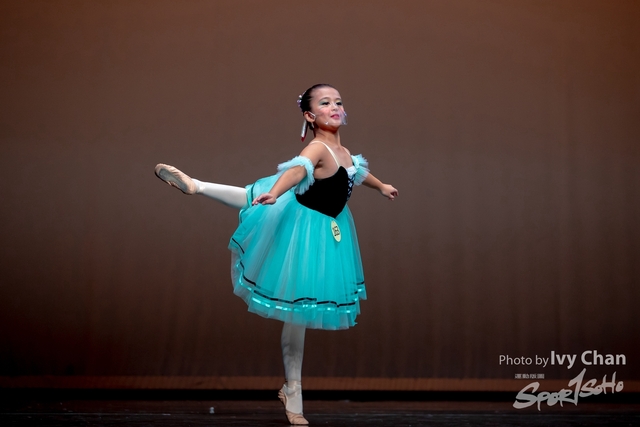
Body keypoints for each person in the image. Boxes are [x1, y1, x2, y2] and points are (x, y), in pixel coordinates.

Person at [155, 84, 398, 425]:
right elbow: (298, 170)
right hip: (302, 227)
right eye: (325, 103)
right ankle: (294, 393)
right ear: (310, 115)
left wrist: (382, 186)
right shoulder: (317, 148)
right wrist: (275, 191)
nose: (334, 106)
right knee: (295, 308)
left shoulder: (343, 152)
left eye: (338, 102)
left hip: (326, 228)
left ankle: (199, 186)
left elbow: (357, 171)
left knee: (298, 311)